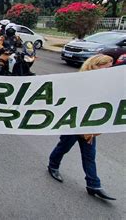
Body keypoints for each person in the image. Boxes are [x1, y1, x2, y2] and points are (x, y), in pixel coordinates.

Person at [47, 54, 115, 201]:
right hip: (73, 124)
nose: (109, 70)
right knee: (63, 147)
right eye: (106, 67)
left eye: (111, 67)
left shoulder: (105, 85)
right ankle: (53, 165)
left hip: (88, 126)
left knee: (89, 156)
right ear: (95, 66)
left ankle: (93, 185)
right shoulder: (79, 82)